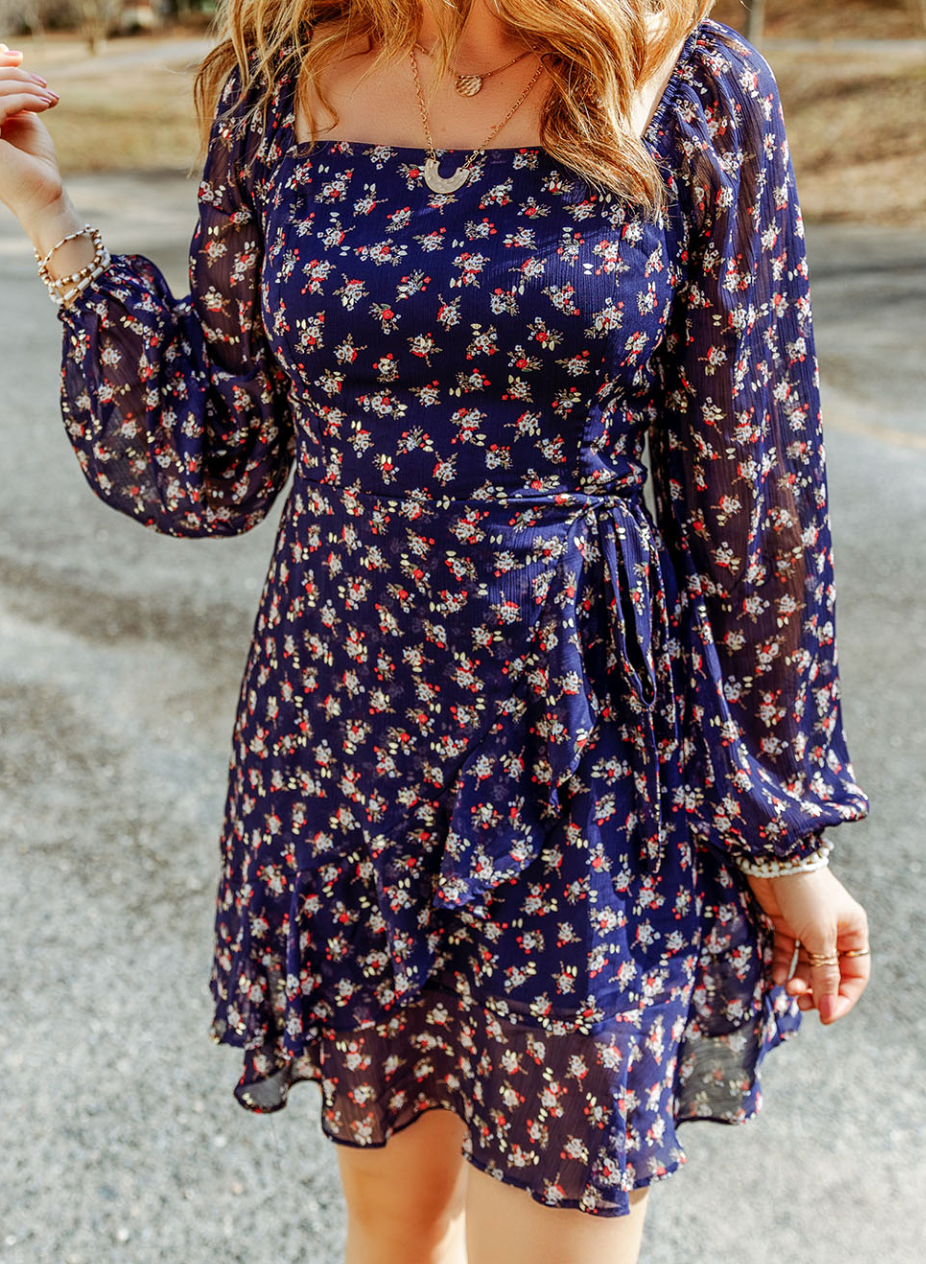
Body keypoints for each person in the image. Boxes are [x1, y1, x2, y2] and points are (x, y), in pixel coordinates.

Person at [0, 2, 873, 1261]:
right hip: (346, 729)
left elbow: (750, 486)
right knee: (396, 1233)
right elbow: (212, 462)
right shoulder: (279, 83)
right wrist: (47, 213)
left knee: (565, 1210)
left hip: (582, 745)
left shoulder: (686, 82)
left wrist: (780, 831)